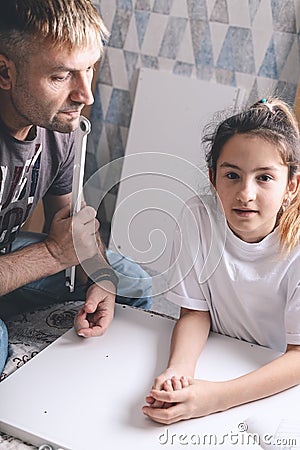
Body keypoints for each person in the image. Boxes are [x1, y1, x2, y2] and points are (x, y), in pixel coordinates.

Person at [0, 0, 152, 375]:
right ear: (4, 72)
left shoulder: (58, 128)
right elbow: (59, 248)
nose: (86, 95)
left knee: (130, 281)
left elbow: (73, 222)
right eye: (61, 76)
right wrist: (52, 254)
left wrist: (98, 273)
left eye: (89, 70)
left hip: (9, 260)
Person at [142, 97, 300, 424]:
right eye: (232, 175)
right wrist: (178, 372)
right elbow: (195, 314)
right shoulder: (198, 216)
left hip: (276, 378)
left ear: (291, 185)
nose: (245, 193)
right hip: (220, 354)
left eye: (264, 178)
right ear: (213, 178)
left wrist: (216, 398)